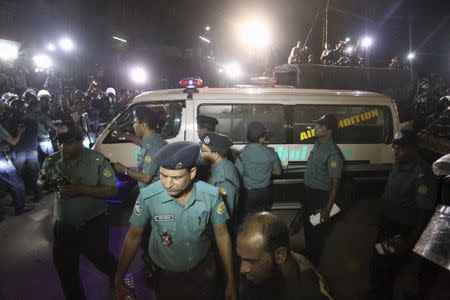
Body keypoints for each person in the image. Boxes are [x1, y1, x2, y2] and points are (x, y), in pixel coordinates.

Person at [115, 141, 237, 300]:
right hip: (166, 278)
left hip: (203, 272)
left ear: (192, 173)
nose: (167, 183)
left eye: (176, 177)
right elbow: (133, 236)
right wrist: (119, 278)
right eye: (163, 175)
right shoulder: (148, 197)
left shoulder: (211, 196)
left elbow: (222, 235)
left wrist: (231, 280)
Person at [38, 121, 118, 300]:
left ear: (80, 141)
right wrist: (44, 184)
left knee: (101, 259)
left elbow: (112, 190)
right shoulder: (52, 161)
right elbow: (40, 180)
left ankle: (117, 276)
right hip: (64, 227)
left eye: (68, 142)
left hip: (93, 225)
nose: (62, 147)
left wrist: (81, 189)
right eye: (60, 142)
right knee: (66, 272)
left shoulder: (96, 160)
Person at [370, 130, 437, 300]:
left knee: (386, 269)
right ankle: (377, 294)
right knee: (377, 264)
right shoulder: (398, 165)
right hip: (386, 226)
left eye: (401, 148)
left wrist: (410, 241)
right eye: (394, 147)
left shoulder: (422, 174)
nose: (396, 151)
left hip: (400, 230)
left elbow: (424, 213)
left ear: (414, 149)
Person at [237, 211, 333, 300]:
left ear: (280, 256)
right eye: (241, 259)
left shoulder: (308, 290)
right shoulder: (263, 274)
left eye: (252, 261)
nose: (242, 269)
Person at [303, 113, 344, 266]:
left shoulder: (333, 154)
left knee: (316, 231)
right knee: (308, 226)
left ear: (330, 130)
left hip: (320, 196)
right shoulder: (318, 144)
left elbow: (335, 183)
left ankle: (314, 264)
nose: (316, 128)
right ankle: (309, 253)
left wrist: (327, 207)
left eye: (320, 126)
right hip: (309, 193)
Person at [235, 122, 282, 218]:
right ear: (261, 138)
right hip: (265, 192)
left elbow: (237, 175)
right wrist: (266, 172)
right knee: (262, 217)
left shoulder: (241, 154)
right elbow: (278, 172)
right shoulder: (271, 153)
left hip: (248, 193)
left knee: (246, 218)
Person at [112, 106, 166, 189]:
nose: (133, 125)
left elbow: (146, 178)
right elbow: (140, 141)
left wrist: (124, 170)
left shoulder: (153, 147)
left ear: (143, 125)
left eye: (135, 122)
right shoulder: (153, 138)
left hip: (151, 193)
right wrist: (122, 134)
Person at [0, 101, 32, 221]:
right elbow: (13, 141)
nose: (3, 109)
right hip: (2, 159)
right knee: (16, 183)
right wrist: (20, 132)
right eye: (1, 107)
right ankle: (20, 207)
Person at [200, 132, 240, 215]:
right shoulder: (221, 165)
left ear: (215, 155)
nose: (201, 154)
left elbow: (222, 213)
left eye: (203, 151)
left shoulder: (223, 180)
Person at [12, 98, 42, 202]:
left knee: (19, 174)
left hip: (23, 149)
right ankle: (34, 195)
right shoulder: (33, 116)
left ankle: (22, 198)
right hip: (29, 148)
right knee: (31, 173)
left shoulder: (16, 117)